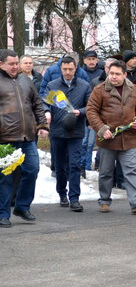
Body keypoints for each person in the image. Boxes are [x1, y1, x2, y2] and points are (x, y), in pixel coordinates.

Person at [86, 60, 136, 214]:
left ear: (125, 75)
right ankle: (104, 200)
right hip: (108, 138)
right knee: (106, 171)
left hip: (129, 138)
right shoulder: (100, 90)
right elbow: (91, 111)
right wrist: (101, 128)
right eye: (111, 73)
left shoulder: (134, 89)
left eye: (117, 74)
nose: (113, 77)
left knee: (130, 171)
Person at [0, 49, 49, 228]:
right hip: (5, 139)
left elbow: (37, 104)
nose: (15, 67)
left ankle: (21, 207)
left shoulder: (25, 81)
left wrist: (42, 125)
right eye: (11, 64)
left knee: (32, 170)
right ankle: (3, 214)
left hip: (27, 137)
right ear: (1, 64)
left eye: (16, 63)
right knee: (5, 178)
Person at [43, 56, 91, 212]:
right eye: (65, 69)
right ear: (61, 69)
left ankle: (74, 198)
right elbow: (45, 102)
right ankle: (62, 193)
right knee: (60, 166)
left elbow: (90, 106)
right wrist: (47, 112)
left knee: (75, 164)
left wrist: (80, 111)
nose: (68, 72)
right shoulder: (53, 85)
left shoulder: (84, 86)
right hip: (57, 131)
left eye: (71, 69)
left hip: (76, 131)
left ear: (76, 68)